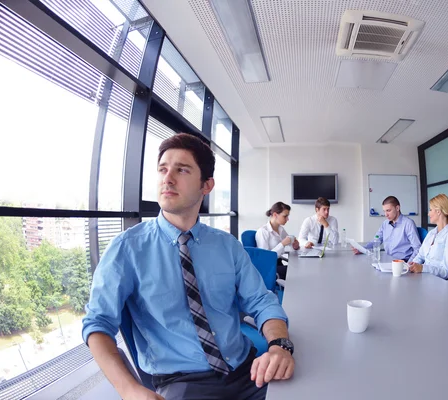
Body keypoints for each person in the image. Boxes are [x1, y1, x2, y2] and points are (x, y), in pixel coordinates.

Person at [82, 134, 294, 400]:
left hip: (248, 369)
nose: (167, 178)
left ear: (206, 185)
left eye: (182, 169)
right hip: (182, 382)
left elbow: (262, 301)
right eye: (163, 169)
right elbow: (97, 324)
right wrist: (129, 389)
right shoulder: (127, 249)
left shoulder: (227, 246)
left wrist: (279, 346)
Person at [354, 196, 421, 262]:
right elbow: (376, 241)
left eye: (388, 211)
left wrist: (409, 265)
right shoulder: (385, 224)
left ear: (397, 208)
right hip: (387, 260)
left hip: (402, 262)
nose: (386, 214)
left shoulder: (408, 223)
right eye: (384, 211)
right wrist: (362, 249)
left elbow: (417, 248)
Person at [409, 194, 448, 279]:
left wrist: (422, 268)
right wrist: (411, 265)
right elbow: (420, 255)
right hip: (422, 277)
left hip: (435, 282)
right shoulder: (431, 233)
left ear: (438, 211)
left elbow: (445, 272)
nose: (428, 214)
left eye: (430, 210)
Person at [256, 202, 300, 279]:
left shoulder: (281, 229)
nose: (287, 219)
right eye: (285, 216)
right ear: (275, 215)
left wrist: (295, 246)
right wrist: (282, 244)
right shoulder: (263, 232)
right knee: (297, 271)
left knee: (297, 268)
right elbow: (265, 258)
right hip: (269, 268)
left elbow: (290, 245)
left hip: (278, 264)